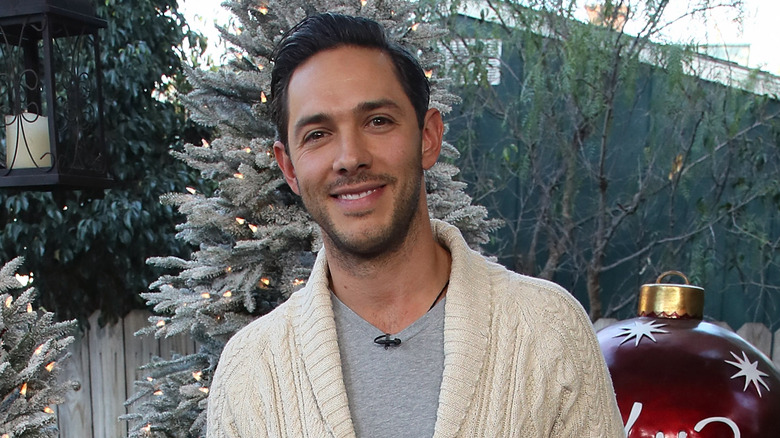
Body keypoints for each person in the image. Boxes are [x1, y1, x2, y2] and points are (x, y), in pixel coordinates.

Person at [207, 12, 624, 438]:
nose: (350, 156)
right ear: (289, 168)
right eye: (317, 134)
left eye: (377, 121)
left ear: (428, 137)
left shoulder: (548, 330)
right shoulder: (250, 371)